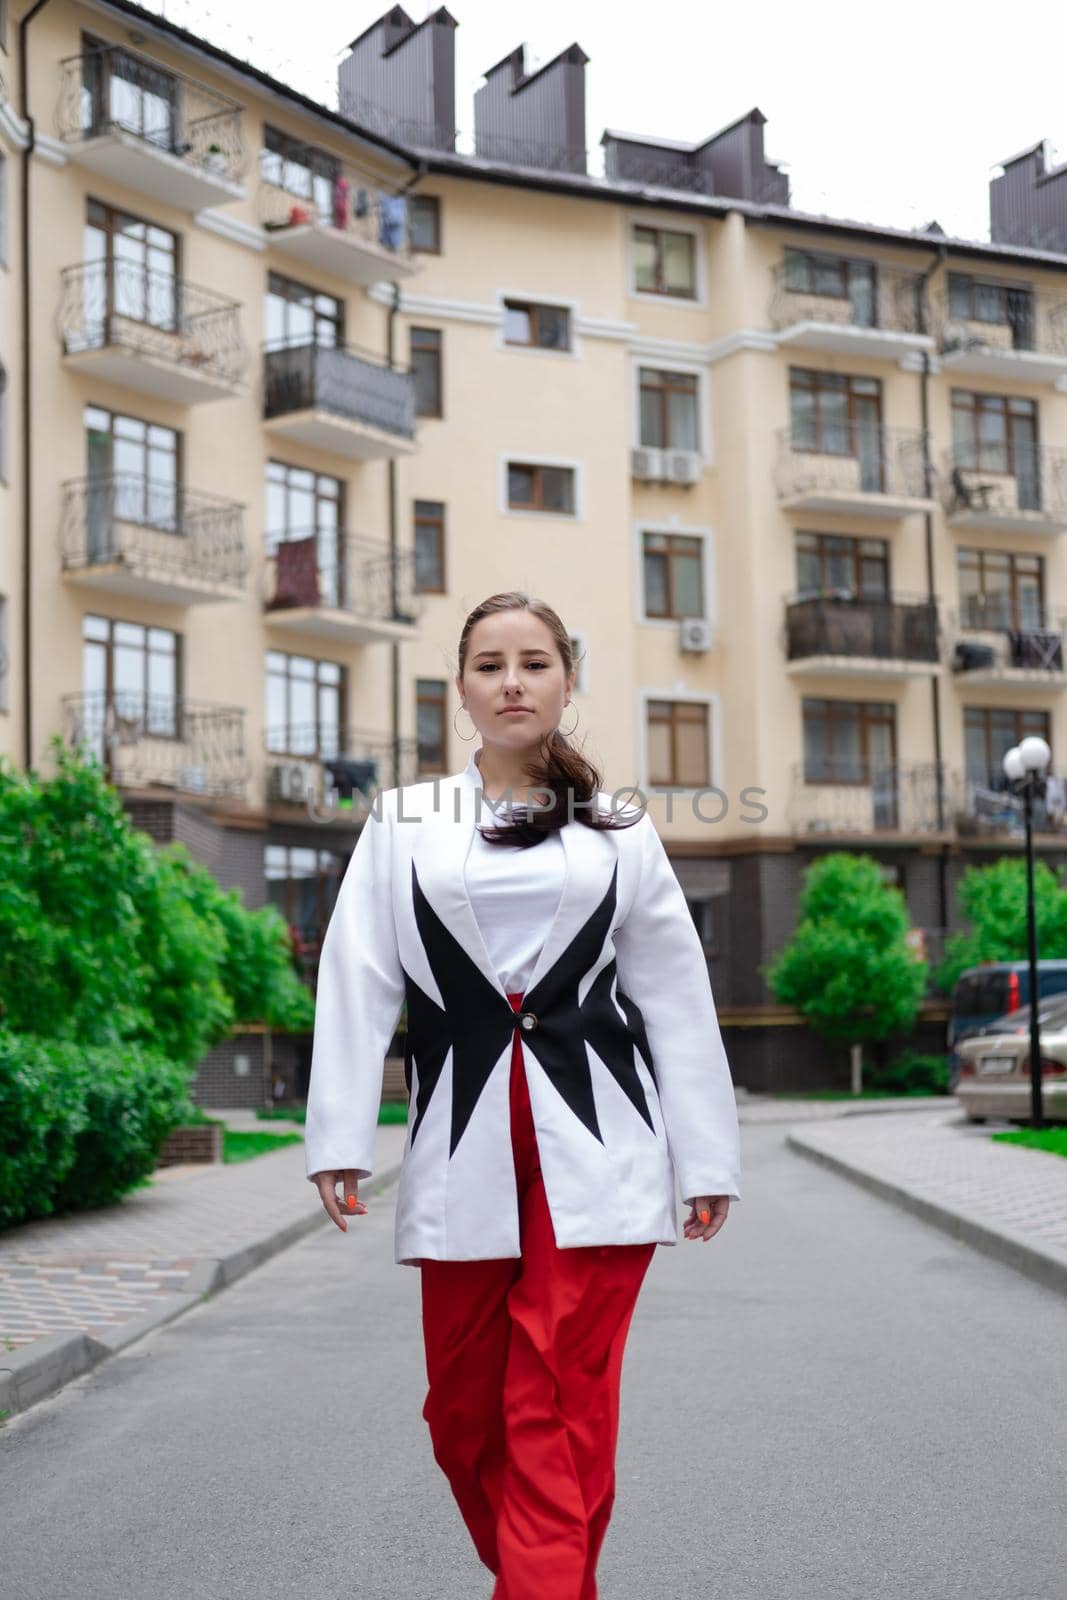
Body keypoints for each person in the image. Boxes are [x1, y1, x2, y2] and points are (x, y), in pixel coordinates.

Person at [304, 590, 742, 1600]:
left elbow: (675, 995)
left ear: (566, 680)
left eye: (534, 662)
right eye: (490, 663)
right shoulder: (405, 821)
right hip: (459, 1148)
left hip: (600, 1150)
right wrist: (338, 1135)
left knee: (550, 1402)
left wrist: (705, 1157)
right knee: (462, 1416)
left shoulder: (619, 828)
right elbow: (359, 976)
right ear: (459, 687)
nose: (512, 681)